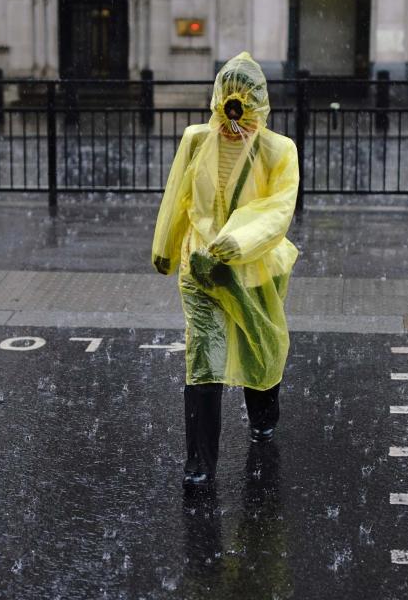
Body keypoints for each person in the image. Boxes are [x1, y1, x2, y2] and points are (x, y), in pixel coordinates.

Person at [151, 52, 299, 489]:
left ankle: (264, 414)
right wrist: (164, 246)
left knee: (261, 346)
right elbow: (178, 193)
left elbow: (278, 211)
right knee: (204, 358)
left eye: (243, 99)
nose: (234, 109)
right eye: (228, 97)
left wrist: (238, 242)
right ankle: (199, 462)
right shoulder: (197, 139)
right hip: (199, 269)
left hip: (254, 270)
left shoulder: (278, 150)